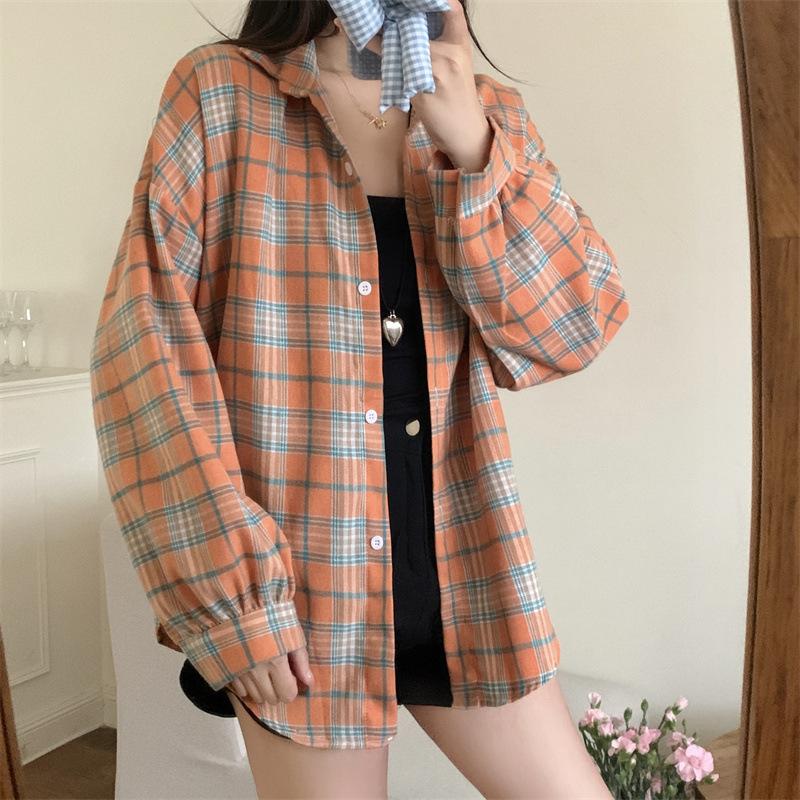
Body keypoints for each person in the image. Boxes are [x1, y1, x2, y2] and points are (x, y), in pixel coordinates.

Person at [89, 0, 630, 796]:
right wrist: (235, 599)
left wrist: (471, 144)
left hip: (463, 570)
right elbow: (143, 359)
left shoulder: (489, 114)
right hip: (304, 593)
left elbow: (575, 327)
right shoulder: (220, 94)